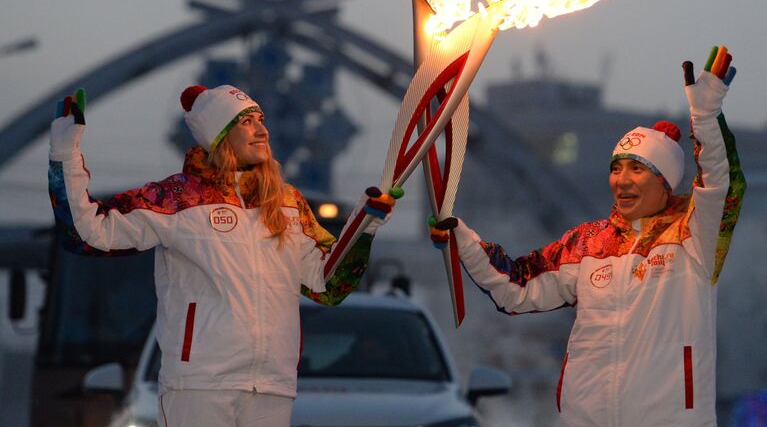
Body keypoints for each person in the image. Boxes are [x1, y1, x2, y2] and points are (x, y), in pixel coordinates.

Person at [48, 84, 401, 427]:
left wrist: (364, 225)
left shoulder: (287, 203)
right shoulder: (177, 198)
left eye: (261, 120)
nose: (261, 130)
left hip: (271, 386)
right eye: (246, 122)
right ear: (220, 137)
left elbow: (329, 285)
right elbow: (86, 233)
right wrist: (66, 151)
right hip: (201, 384)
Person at [430, 47, 746, 426]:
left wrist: (707, 118)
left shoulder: (693, 234)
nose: (622, 180)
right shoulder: (588, 243)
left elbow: (720, 187)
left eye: (637, 169)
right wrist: (460, 237)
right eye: (617, 168)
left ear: (664, 183)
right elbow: (515, 287)